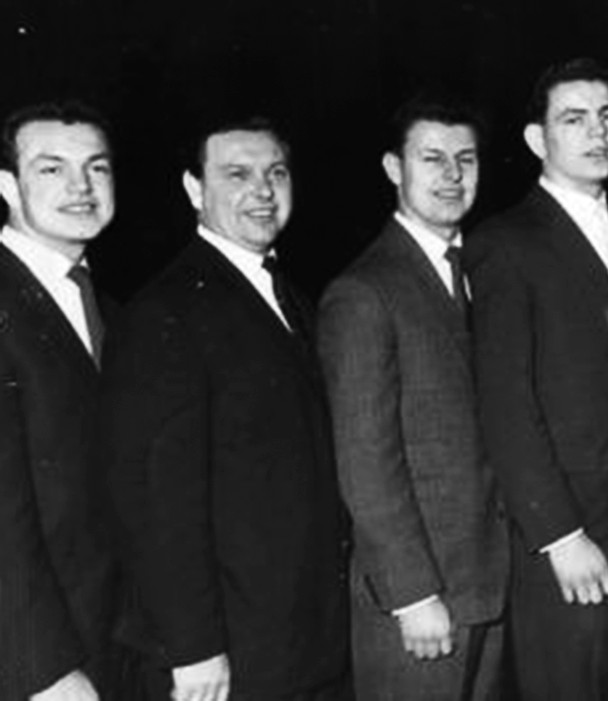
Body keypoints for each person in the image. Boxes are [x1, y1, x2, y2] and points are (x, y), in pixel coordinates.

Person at [101, 118, 350, 701]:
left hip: (304, 641)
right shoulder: (165, 312)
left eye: (276, 173)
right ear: (195, 188)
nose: (262, 190)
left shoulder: (293, 297)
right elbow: (156, 502)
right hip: (230, 656)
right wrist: (193, 648)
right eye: (237, 174)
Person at [466, 58, 608, 701]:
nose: (597, 133)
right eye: (574, 119)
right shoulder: (506, 242)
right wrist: (559, 536)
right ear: (537, 139)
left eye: (607, 117)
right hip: (570, 538)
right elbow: (505, 405)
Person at [317, 94, 509, 701]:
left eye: (466, 159)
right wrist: (412, 593)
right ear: (393, 168)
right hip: (420, 602)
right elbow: (365, 462)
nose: (452, 175)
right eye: (432, 158)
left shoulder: (479, 274)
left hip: (486, 586)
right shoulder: (364, 291)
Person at [0, 101, 118, 701]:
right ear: (6, 185)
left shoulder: (111, 307)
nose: (81, 186)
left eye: (97, 167)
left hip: (117, 639)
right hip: (42, 662)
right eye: (52, 168)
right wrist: (43, 669)